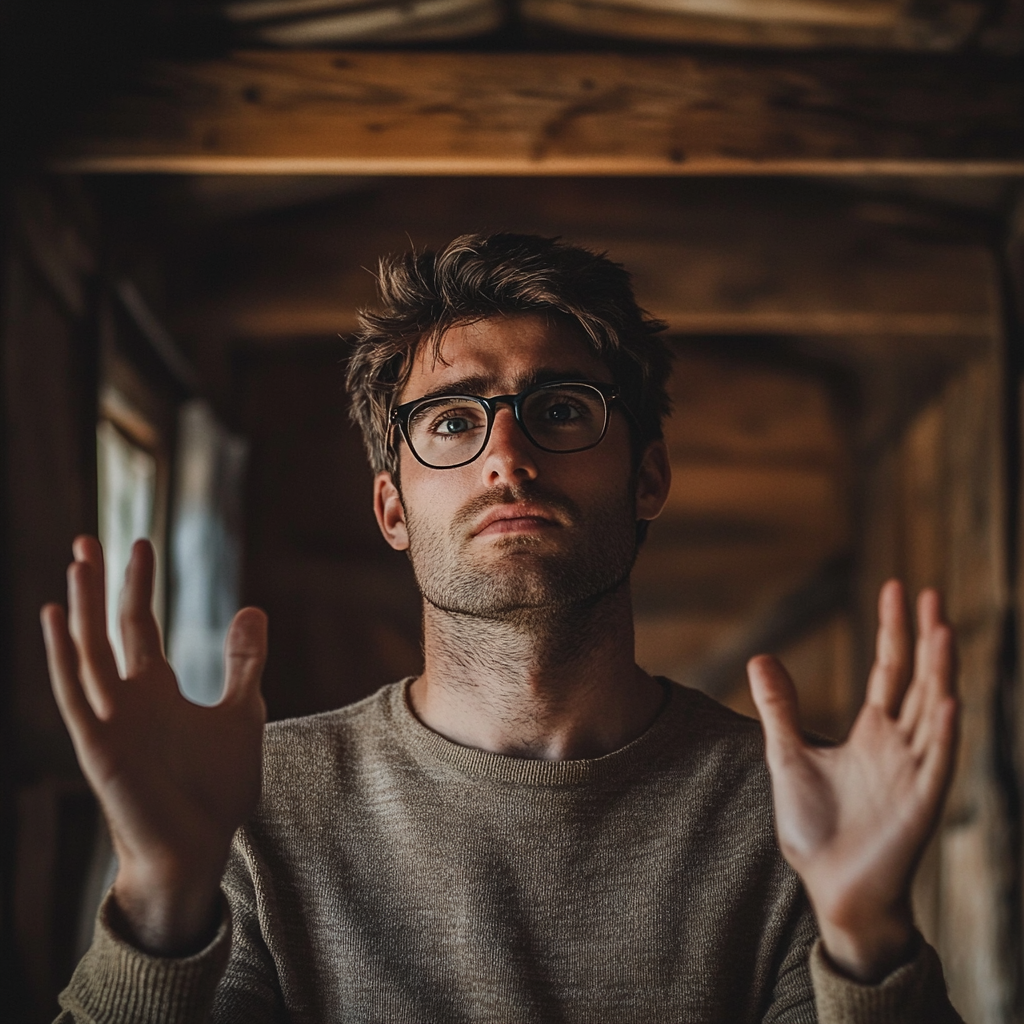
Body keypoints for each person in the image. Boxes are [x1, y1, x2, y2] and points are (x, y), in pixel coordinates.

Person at [44, 233, 962, 1023]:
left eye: (560, 410)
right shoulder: (250, 805)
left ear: (648, 479)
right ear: (392, 508)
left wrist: (867, 944)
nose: (508, 458)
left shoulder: (792, 818)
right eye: (450, 422)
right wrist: (160, 906)